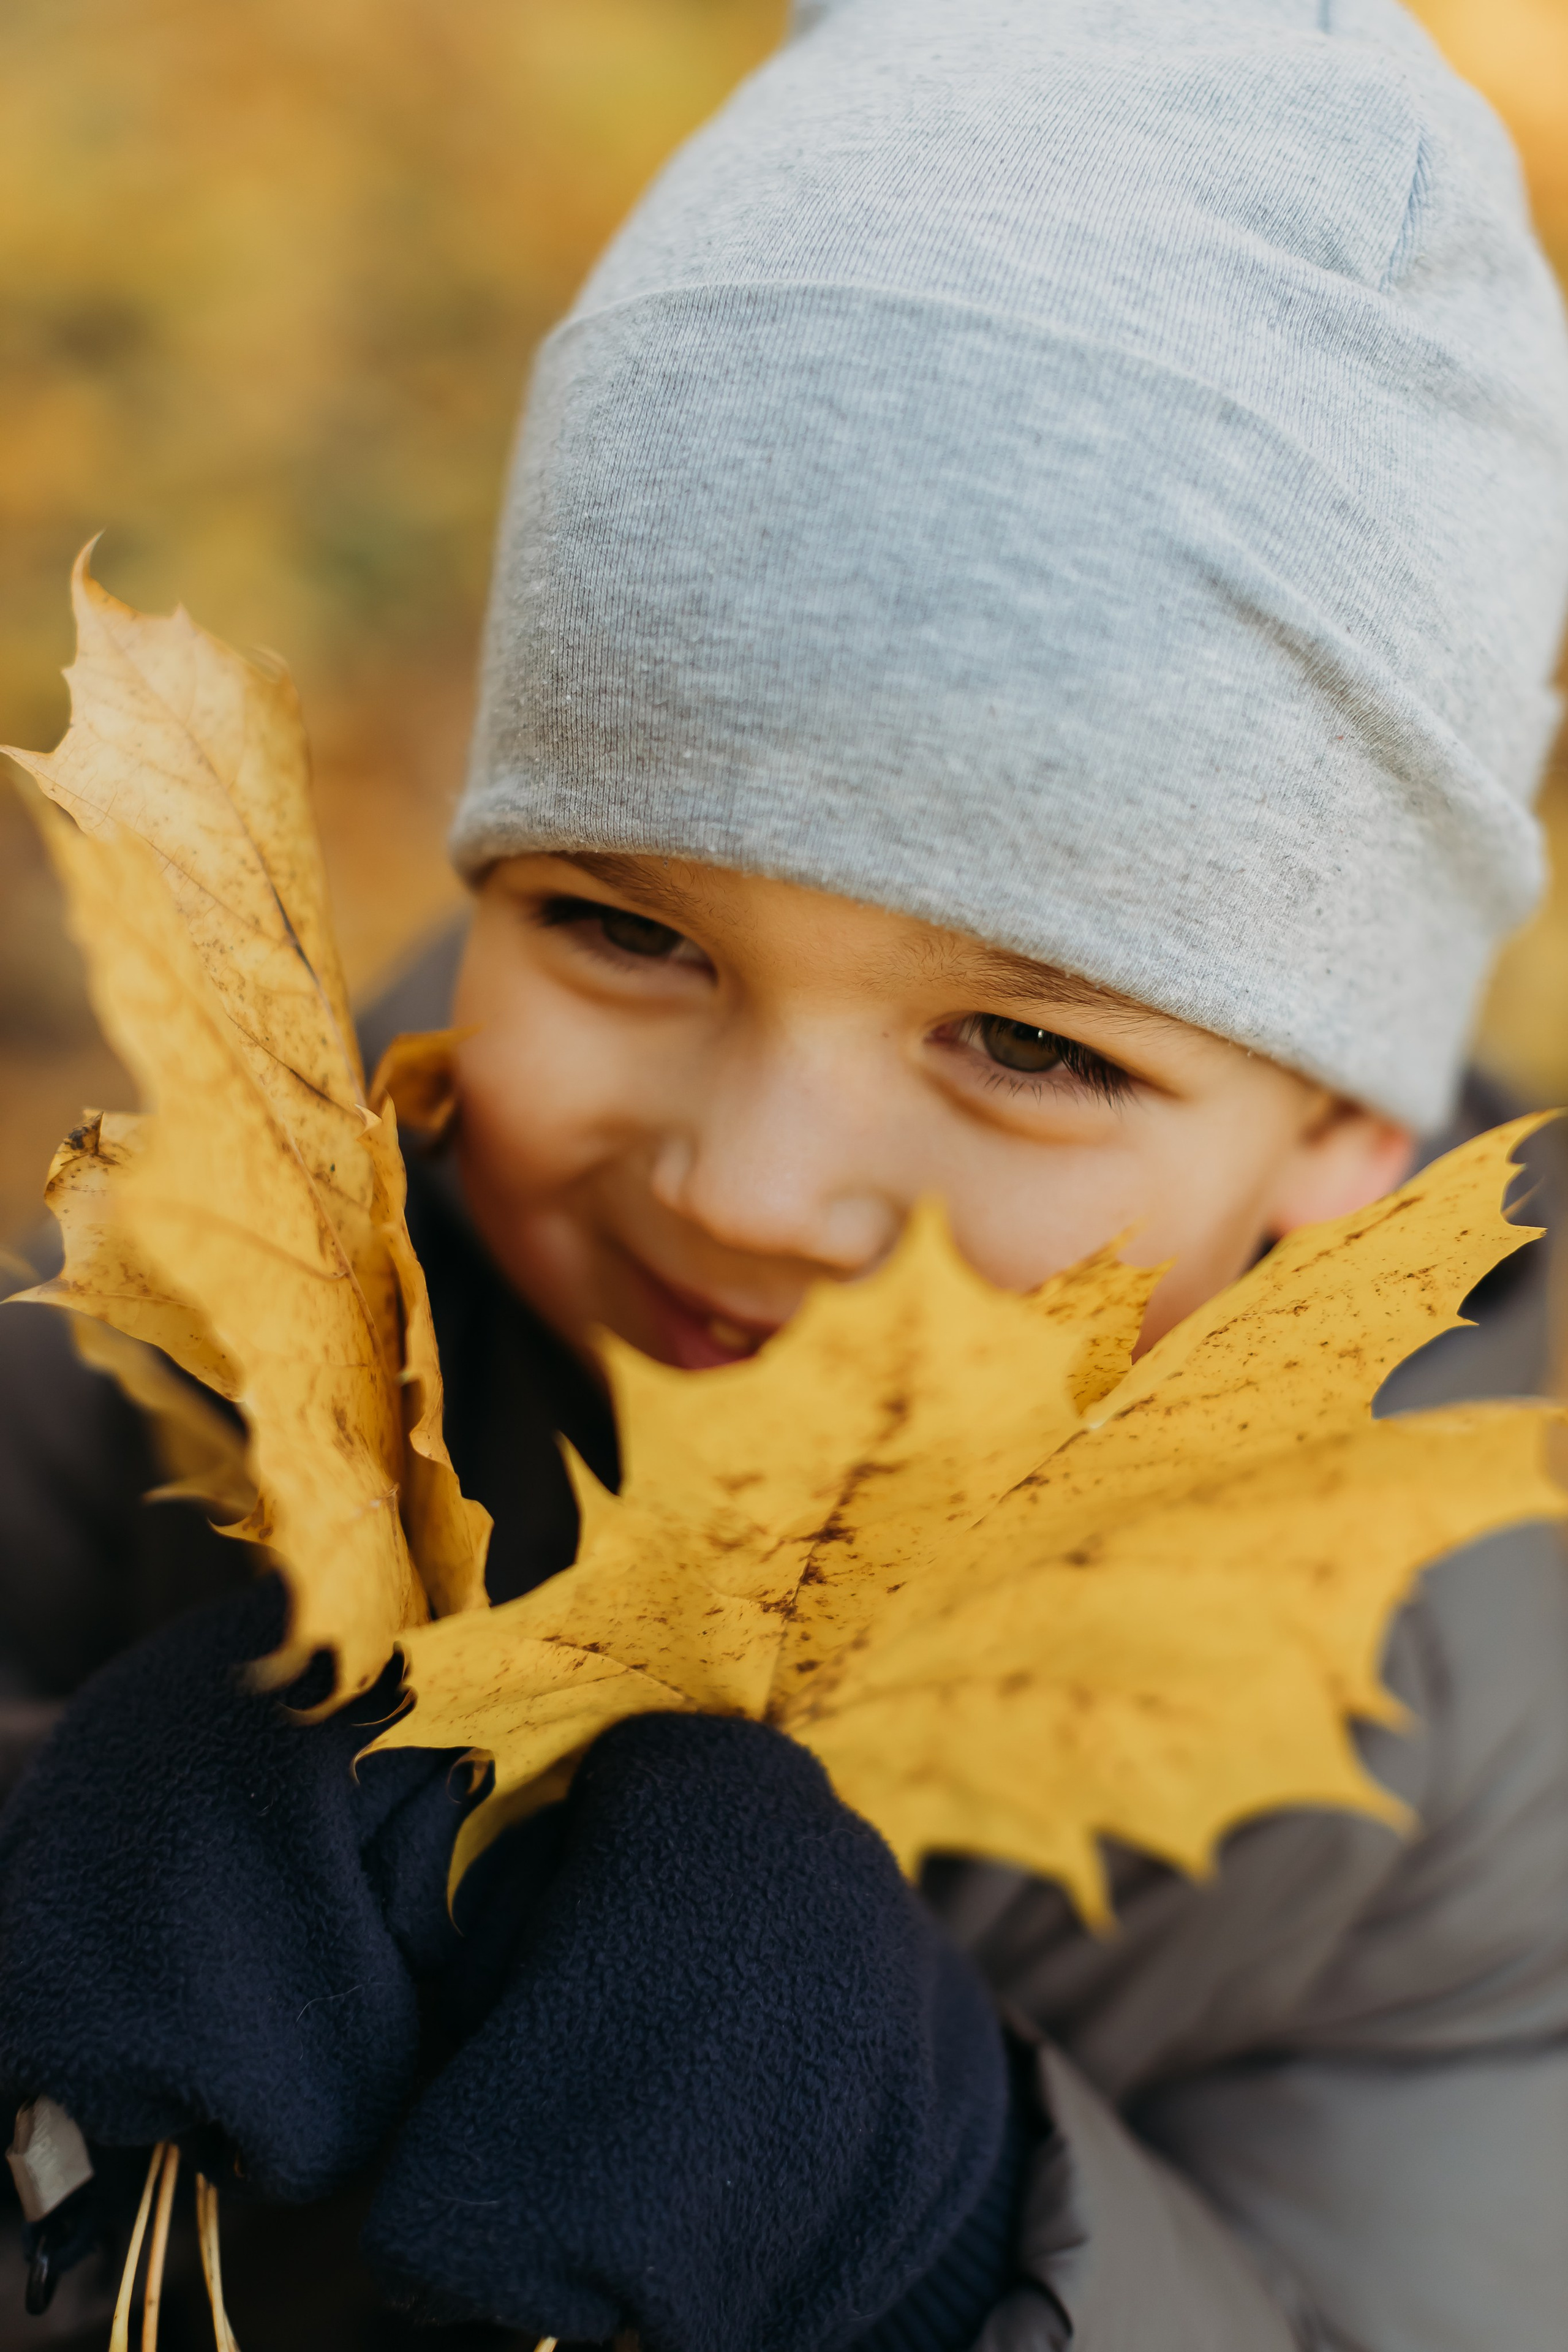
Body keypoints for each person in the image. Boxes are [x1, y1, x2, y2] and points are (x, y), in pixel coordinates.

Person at [2, 0, 1568, 2345]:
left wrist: (950, 2230)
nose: (748, 1181)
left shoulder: (1467, 1735)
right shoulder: (225, 1304)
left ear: (1349, 1128)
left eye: (1031, 1042)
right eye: (624, 928)